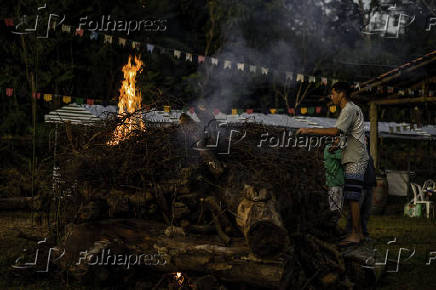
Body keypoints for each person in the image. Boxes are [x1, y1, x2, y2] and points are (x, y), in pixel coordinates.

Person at [297, 81, 369, 246]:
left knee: (353, 197)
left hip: (355, 157)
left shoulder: (349, 109)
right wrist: (337, 144)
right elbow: (345, 134)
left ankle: (356, 234)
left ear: (341, 93)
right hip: (353, 155)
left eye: (333, 94)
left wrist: (309, 130)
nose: (331, 97)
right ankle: (357, 233)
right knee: (352, 196)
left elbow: (336, 131)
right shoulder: (351, 109)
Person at [346, 135, 376, 239]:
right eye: (364, 139)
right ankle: (351, 232)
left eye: (366, 140)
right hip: (359, 187)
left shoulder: (368, 154)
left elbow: (371, 170)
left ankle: (363, 232)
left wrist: (373, 184)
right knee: (355, 211)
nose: (365, 141)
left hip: (368, 187)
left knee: (366, 212)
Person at [324, 138, 345, 215]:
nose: (340, 141)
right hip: (333, 181)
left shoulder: (337, 149)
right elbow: (342, 157)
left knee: (339, 205)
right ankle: (333, 220)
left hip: (339, 181)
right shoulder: (328, 148)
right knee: (333, 206)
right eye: (338, 139)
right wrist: (341, 147)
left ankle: (336, 220)